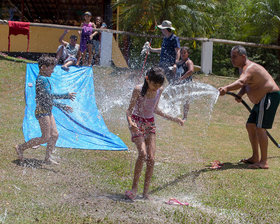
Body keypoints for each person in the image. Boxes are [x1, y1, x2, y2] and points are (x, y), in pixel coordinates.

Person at [125, 67, 185, 200]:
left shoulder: (159, 90)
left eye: (159, 85)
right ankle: (134, 188)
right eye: (154, 84)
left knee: (151, 158)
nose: (156, 88)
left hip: (150, 123)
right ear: (147, 79)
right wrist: (131, 123)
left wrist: (175, 119)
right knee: (142, 153)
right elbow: (128, 111)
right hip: (137, 122)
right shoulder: (138, 90)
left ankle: (145, 192)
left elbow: (155, 109)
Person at [219, 45, 280, 169]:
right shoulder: (242, 69)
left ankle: (264, 162)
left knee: (260, 128)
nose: (232, 59)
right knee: (250, 125)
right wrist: (240, 94)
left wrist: (226, 88)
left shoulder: (250, 68)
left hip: (269, 96)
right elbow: (245, 84)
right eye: (231, 57)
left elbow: (241, 82)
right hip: (261, 100)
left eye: (234, 57)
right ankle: (255, 157)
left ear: (243, 56)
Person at [15, 55, 76, 164]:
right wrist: (66, 95)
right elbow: (50, 95)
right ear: (43, 67)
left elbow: (47, 98)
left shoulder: (44, 79)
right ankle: (20, 147)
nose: (53, 71)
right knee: (45, 137)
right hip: (42, 111)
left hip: (47, 110)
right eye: (51, 68)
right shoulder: (42, 79)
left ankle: (48, 158)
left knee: (55, 135)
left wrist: (62, 106)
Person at [173, 46, 194, 120]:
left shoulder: (189, 62)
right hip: (179, 84)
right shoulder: (179, 62)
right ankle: (175, 113)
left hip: (187, 84)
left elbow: (191, 71)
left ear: (188, 53)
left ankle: (185, 117)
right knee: (176, 98)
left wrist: (182, 78)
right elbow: (177, 72)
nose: (183, 54)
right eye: (181, 53)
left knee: (186, 100)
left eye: (184, 53)